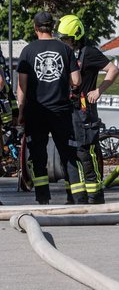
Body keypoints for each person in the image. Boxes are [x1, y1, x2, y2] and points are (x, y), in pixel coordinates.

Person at [16, 11, 81, 205]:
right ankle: (75, 196)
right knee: (68, 153)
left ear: (35, 28)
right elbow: (76, 80)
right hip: (61, 111)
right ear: (53, 27)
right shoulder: (65, 49)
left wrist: (20, 111)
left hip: (36, 111)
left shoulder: (28, 51)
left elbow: (22, 86)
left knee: (38, 155)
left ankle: (43, 198)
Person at [57, 14, 119, 204]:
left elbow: (113, 69)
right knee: (68, 154)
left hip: (84, 111)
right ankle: (75, 196)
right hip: (67, 110)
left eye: (66, 39)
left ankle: (95, 195)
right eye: (62, 39)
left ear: (76, 36)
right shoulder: (64, 53)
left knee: (86, 152)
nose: (64, 42)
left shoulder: (89, 53)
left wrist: (98, 90)